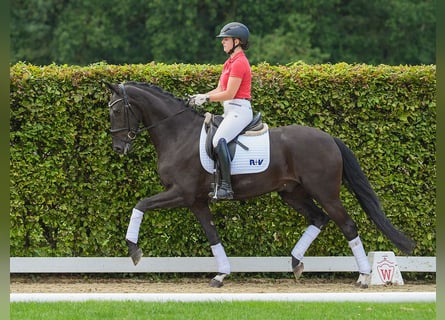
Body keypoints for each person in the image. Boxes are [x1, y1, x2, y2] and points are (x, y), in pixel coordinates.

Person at [190, 22, 253, 200]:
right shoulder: (229, 63)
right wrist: (200, 95)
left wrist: (207, 99)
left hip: (240, 110)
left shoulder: (240, 63)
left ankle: (226, 187)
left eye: (225, 39)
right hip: (231, 110)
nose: (222, 42)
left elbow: (230, 93)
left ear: (237, 41)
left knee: (219, 139)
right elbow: (219, 89)